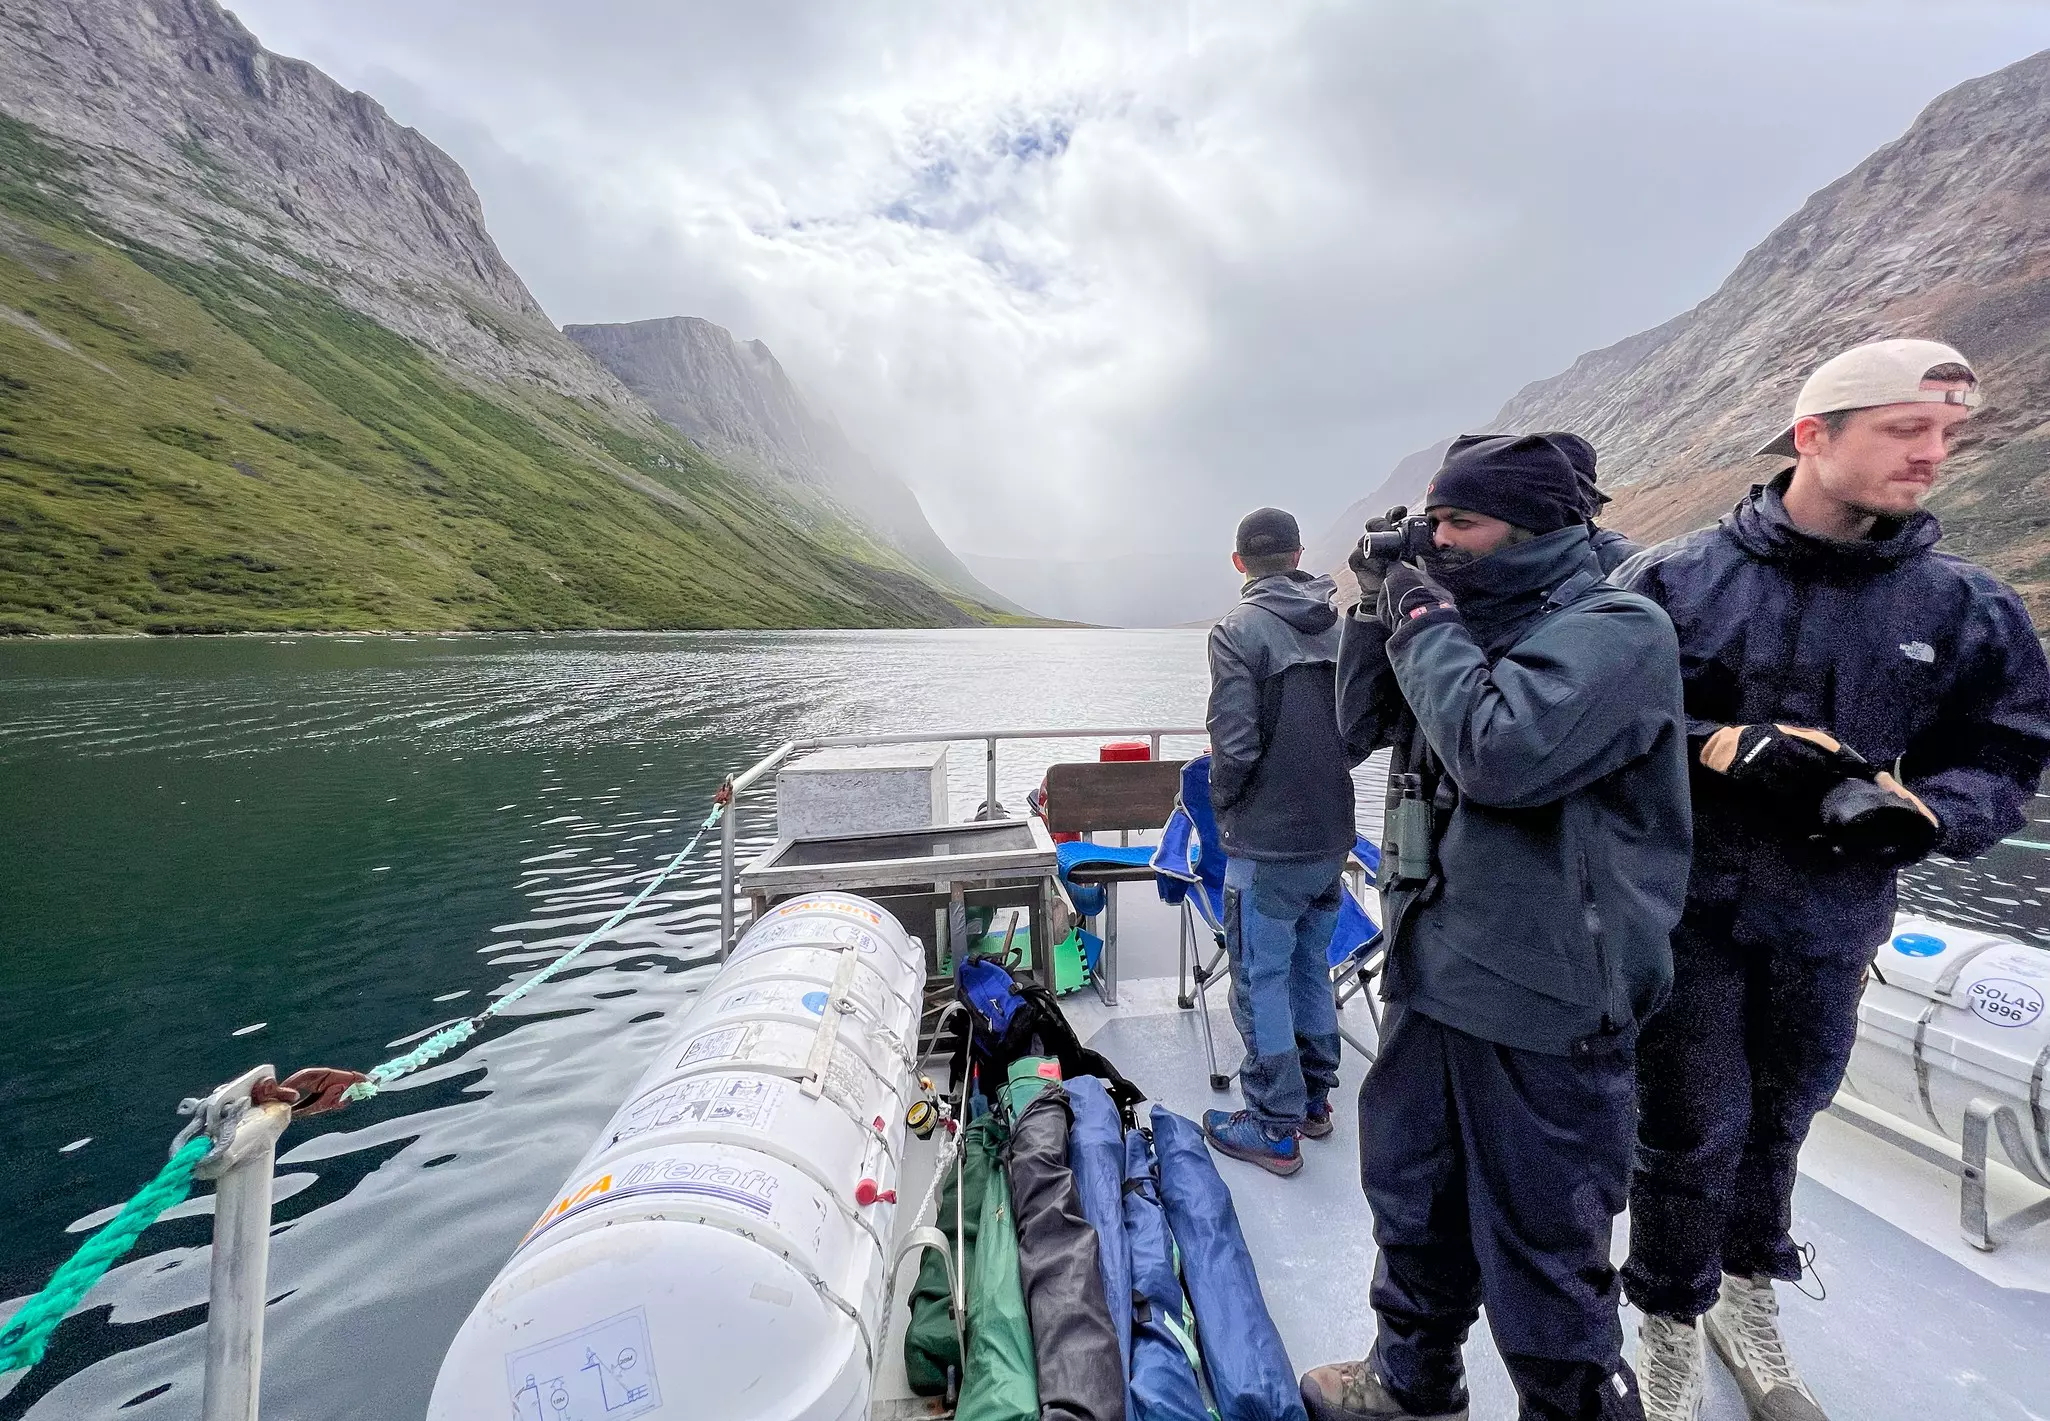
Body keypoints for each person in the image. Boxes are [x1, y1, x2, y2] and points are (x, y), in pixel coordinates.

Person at [1612, 339, 2050, 1421]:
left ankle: (1744, 1297)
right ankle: (1668, 1318)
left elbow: (2008, 749)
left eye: (1947, 435)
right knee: (1686, 1126)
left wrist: (1931, 812)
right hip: (1687, 914)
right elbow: (1590, 729)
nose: (1933, 456)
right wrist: (1708, 739)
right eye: (1907, 430)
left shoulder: (1965, 608)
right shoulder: (1669, 582)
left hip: (1833, 916)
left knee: (1783, 1118)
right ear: (1814, 434)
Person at [1304, 434, 1693, 1421]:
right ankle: (1411, 1378)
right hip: (1436, 968)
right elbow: (1353, 726)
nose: (1436, 541)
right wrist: (1371, 605)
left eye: (1457, 523)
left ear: (1533, 523)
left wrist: (1426, 614)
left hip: (1547, 995)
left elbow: (1500, 753)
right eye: (1429, 525)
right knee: (1414, 1200)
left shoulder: (1616, 628)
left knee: (1543, 1254)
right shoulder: (1458, 619)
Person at [1201, 506, 1358, 1176]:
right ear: (1297, 555)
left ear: (1239, 563)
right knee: (1308, 967)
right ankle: (1315, 1101)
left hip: (1267, 845)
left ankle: (1271, 1124)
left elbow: (1233, 745)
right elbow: (1359, 728)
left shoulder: (1237, 631)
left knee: (1259, 977)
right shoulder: (1343, 627)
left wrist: (1226, 804)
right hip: (1331, 837)